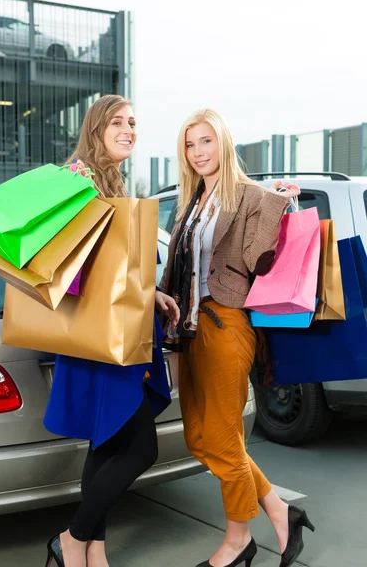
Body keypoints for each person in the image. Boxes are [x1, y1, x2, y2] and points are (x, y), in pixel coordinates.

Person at [157, 108, 315, 567]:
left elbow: (256, 260)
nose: (198, 152)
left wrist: (277, 204)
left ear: (222, 143)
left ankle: (238, 539)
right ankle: (280, 509)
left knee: (224, 438)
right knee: (200, 439)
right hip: (189, 328)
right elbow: (176, 268)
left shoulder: (248, 196)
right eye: (190, 144)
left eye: (205, 141)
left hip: (226, 324)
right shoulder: (189, 202)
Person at [44, 95, 180, 567]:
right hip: (100, 336)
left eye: (134, 123)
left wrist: (153, 295)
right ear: (97, 128)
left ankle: (92, 551)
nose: (129, 130)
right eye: (118, 122)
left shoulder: (113, 182)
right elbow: (73, 264)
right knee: (140, 448)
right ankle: (71, 538)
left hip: (120, 330)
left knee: (109, 442)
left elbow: (120, 267)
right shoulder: (77, 178)